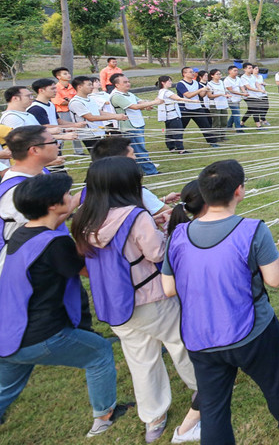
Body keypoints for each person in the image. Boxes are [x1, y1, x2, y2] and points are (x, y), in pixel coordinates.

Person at [162, 160, 279, 445]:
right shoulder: (252, 230)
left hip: (201, 336)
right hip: (252, 331)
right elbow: (275, 279)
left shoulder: (178, 235)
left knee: (213, 407)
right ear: (239, 191)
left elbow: (168, 288)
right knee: (274, 380)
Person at [71, 158, 201, 443]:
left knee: (141, 359)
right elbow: (157, 253)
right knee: (181, 343)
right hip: (149, 296)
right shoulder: (134, 215)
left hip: (113, 302)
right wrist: (165, 232)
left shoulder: (83, 218)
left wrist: (149, 226)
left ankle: (153, 418)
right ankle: (202, 390)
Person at [0, 172, 131, 435]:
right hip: (38, 335)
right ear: (53, 205)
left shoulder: (23, 233)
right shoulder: (55, 243)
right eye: (68, 195)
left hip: (2, 335)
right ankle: (104, 417)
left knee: (5, 389)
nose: (72, 198)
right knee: (99, 352)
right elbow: (91, 272)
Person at [0, 126, 65, 294]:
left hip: (40, 263)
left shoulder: (39, 174)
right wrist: (76, 201)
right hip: (16, 275)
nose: (58, 145)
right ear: (34, 150)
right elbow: (42, 226)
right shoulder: (18, 188)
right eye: (53, 141)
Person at [108, 74, 161, 176]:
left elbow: (140, 102)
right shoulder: (116, 96)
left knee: (138, 149)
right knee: (139, 150)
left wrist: (147, 105)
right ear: (117, 85)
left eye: (128, 81)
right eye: (125, 82)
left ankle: (139, 170)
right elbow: (134, 107)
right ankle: (151, 171)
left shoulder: (129, 94)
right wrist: (154, 102)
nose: (128, 84)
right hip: (129, 126)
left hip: (138, 124)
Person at [70, 76, 128, 153]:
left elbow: (99, 112)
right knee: (99, 155)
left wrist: (116, 116)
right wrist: (115, 117)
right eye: (89, 85)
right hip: (89, 135)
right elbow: (91, 117)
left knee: (106, 154)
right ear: (79, 87)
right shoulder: (76, 102)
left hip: (99, 131)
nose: (92, 87)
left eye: (91, 84)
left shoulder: (90, 99)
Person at [175, 68, 219, 148]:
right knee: (181, 127)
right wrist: (201, 89)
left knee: (205, 125)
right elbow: (188, 95)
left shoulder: (196, 82)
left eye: (193, 72)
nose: (193, 73)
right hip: (185, 109)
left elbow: (201, 95)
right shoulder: (180, 84)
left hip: (197, 107)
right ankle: (175, 144)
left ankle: (212, 142)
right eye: (190, 72)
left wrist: (206, 90)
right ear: (184, 74)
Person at [154, 76, 190, 154]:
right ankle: (181, 149)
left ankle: (171, 147)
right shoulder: (167, 92)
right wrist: (193, 101)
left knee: (170, 132)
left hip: (168, 116)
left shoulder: (161, 91)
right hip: (173, 115)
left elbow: (156, 100)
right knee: (177, 132)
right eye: (169, 81)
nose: (171, 82)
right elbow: (178, 98)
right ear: (163, 83)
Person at [223, 65, 247, 134]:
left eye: (237, 70)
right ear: (229, 71)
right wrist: (242, 94)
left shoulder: (238, 79)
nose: (236, 72)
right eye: (234, 70)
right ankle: (238, 128)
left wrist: (244, 92)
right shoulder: (227, 80)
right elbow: (231, 90)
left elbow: (241, 86)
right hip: (231, 100)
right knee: (237, 113)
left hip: (237, 99)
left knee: (235, 113)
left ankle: (229, 125)